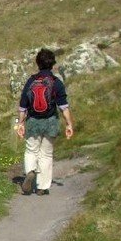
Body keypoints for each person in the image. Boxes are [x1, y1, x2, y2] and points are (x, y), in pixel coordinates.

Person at [16, 48, 74, 195]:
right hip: (51, 122)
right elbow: (63, 107)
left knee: (31, 150)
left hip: (33, 122)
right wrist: (69, 124)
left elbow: (23, 106)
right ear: (53, 64)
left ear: (37, 63)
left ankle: (30, 172)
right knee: (46, 154)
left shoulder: (31, 81)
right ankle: (42, 186)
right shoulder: (56, 83)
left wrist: (21, 123)